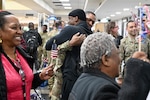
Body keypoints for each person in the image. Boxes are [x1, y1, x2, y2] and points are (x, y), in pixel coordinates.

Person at [68, 32, 150, 100]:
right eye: (117, 54)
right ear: (106, 60)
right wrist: (137, 68)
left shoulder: (82, 80)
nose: (119, 59)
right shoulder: (104, 90)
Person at [0, 11, 53, 100]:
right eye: (14, 28)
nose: (20, 32)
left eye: (20, 28)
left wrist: (40, 77)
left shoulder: (23, 55)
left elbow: (23, 84)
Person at [46, 9, 92, 100]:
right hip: (85, 75)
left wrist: (68, 44)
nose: (69, 22)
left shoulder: (71, 29)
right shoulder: (90, 33)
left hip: (71, 74)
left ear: (76, 18)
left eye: (70, 19)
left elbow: (48, 45)